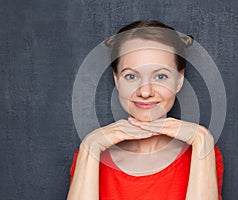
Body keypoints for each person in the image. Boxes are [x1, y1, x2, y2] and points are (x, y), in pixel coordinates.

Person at [67, 20, 224, 200]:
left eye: (161, 76)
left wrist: (202, 139)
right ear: (117, 80)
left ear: (179, 80)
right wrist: (90, 147)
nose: (145, 92)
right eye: (131, 76)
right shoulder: (90, 154)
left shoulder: (202, 152)